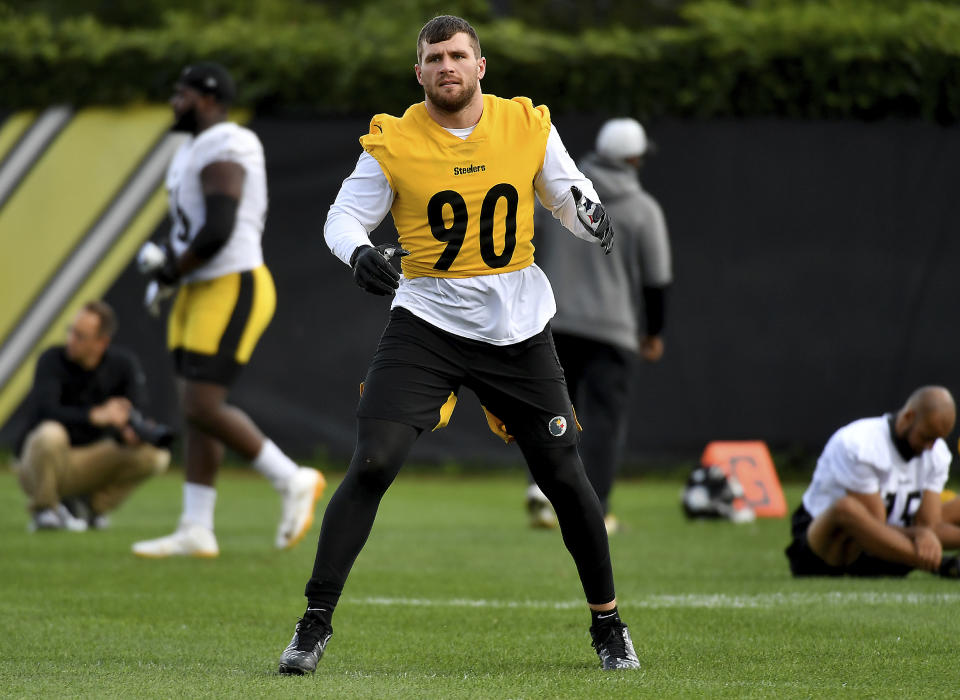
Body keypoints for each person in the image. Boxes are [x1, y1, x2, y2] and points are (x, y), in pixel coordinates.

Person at [277, 15, 638, 675]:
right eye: (434, 58)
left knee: (563, 474)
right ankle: (312, 624)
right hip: (428, 322)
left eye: (457, 55)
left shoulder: (526, 124)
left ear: (480, 65)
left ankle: (608, 624)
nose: (447, 66)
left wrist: (591, 216)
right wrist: (359, 254)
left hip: (517, 326)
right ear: (419, 73)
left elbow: (565, 196)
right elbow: (343, 217)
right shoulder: (395, 139)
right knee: (373, 462)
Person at [132, 62, 325, 558]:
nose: (175, 102)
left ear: (208, 97)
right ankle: (197, 527)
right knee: (196, 410)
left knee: (201, 404)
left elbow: (219, 227)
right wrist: (171, 268)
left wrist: (172, 270)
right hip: (199, 285)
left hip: (230, 282)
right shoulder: (189, 150)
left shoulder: (227, 142)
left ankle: (292, 478)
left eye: (183, 93)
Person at [525, 117, 672, 534]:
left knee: (551, 410)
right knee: (604, 422)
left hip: (552, 321)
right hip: (613, 330)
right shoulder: (644, 210)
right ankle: (596, 507)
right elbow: (656, 281)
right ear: (634, 159)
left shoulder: (559, 195)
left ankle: (540, 488)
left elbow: (523, 243)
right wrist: (653, 334)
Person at [13, 301, 170, 531]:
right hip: (40, 463)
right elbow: (44, 412)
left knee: (156, 455)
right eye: (71, 331)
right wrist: (94, 416)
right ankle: (45, 510)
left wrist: (128, 432)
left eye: (80, 336)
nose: (71, 340)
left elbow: (137, 411)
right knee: (50, 434)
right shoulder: (52, 360)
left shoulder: (122, 366)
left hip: (90, 460)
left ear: (101, 343)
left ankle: (88, 509)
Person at [785, 386, 960, 579]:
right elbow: (874, 525)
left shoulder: (938, 453)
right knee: (846, 508)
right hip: (832, 547)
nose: (930, 447)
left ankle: (934, 561)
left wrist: (923, 533)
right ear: (908, 417)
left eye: (937, 439)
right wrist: (918, 533)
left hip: (891, 544)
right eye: (926, 437)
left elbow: (931, 526)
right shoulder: (859, 444)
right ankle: (942, 565)